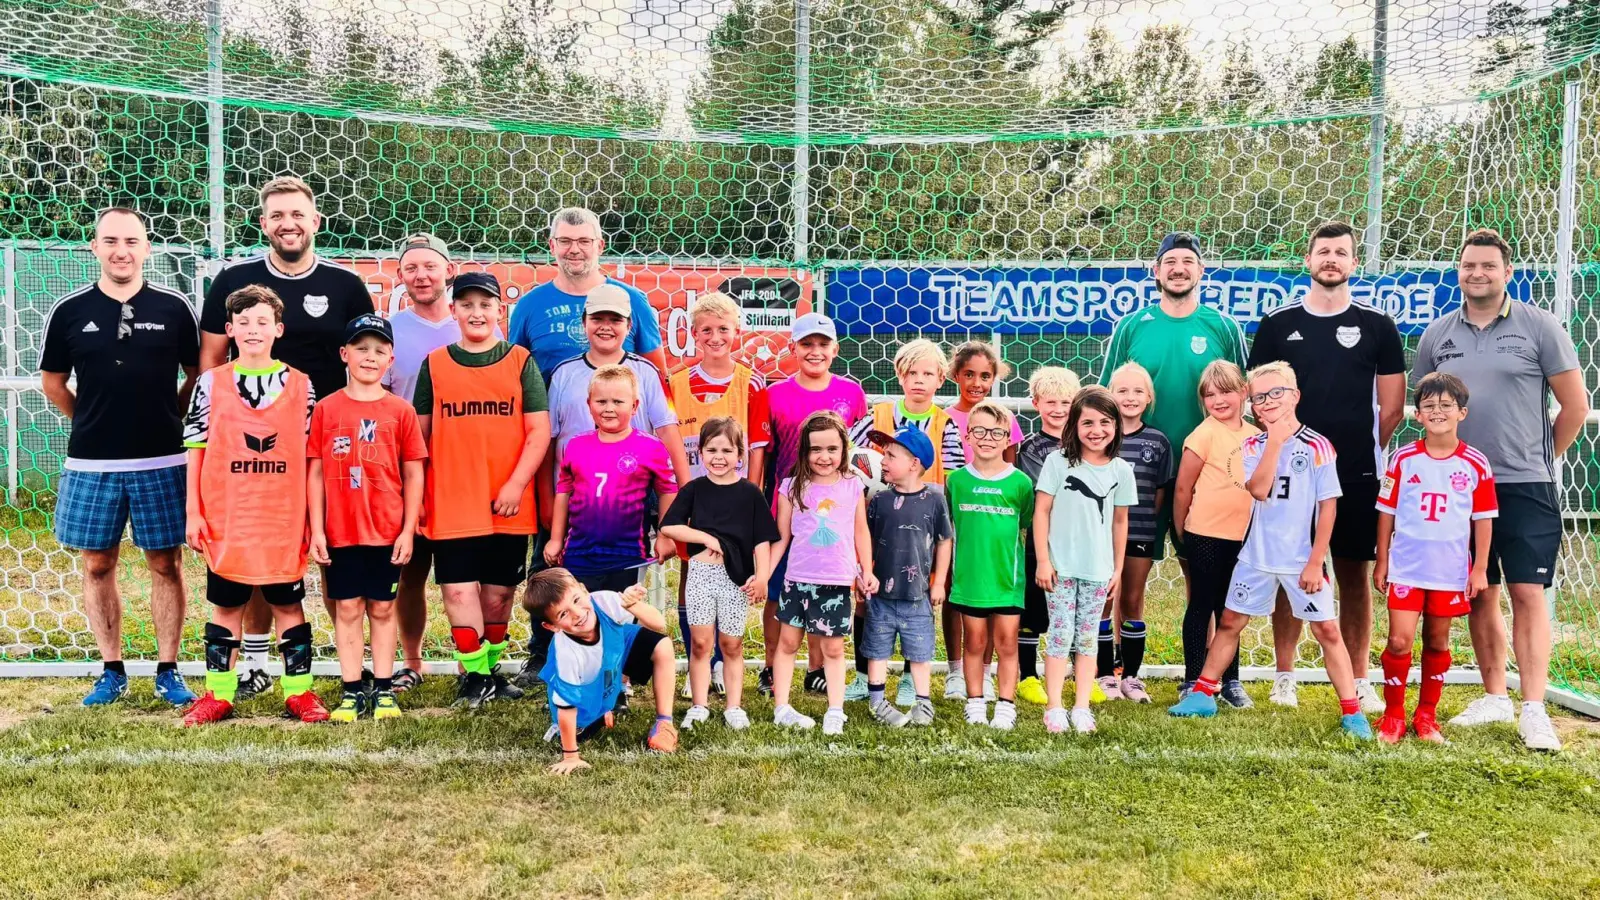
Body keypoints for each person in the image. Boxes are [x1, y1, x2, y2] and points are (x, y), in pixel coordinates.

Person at [199, 176, 375, 700]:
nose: (288, 223)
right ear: (263, 223)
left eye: (297, 214)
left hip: (325, 442)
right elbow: (210, 360)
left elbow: (367, 361)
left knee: (318, 549)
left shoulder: (345, 286)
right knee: (250, 554)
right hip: (249, 446)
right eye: (277, 215)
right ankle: (252, 661)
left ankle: (349, 661)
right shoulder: (236, 280)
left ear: (315, 220)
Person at [1414, 228, 1589, 751]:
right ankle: (1494, 695)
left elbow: (1575, 406)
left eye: (1489, 266)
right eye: (1469, 265)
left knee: (1527, 592)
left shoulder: (1541, 327)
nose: (1478, 274)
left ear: (1506, 273)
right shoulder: (1437, 334)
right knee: (1479, 591)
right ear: (1459, 271)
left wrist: (1538, 459)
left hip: (1524, 484)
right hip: (1459, 489)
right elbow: (1427, 406)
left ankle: (1534, 707)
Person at [40, 207, 199, 708]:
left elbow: (196, 376)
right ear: (94, 247)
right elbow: (53, 383)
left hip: (162, 461)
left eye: (131, 241)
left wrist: (168, 420)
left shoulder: (175, 308)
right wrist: (89, 419)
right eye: (110, 241)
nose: (121, 251)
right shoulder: (68, 311)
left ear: (147, 248)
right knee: (96, 564)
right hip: (92, 463)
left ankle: (168, 670)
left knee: (165, 564)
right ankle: (111, 670)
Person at [1168, 362, 1372, 740]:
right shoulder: (1252, 445)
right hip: (1256, 557)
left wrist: (1315, 561)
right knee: (1230, 622)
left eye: (1276, 393)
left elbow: (1328, 507)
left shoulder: (1318, 447)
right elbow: (1259, 489)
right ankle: (1202, 693)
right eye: (1260, 397)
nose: (1268, 402)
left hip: (1301, 561)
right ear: (1254, 405)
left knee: (1327, 629)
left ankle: (1352, 712)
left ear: (1294, 396)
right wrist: (1275, 441)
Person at [1248, 221, 1405, 712]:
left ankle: (1359, 678)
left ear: (1354, 263)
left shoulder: (1378, 326)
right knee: (1288, 569)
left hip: (1356, 471)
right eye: (1323, 252)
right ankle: (1284, 674)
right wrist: (1299, 452)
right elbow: (1260, 401)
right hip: (1291, 472)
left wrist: (1350, 452)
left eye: (1341, 252)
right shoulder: (1278, 325)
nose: (1331, 259)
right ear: (1308, 260)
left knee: (1354, 576)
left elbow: (1394, 407)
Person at [180, 285, 328, 726]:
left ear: (278, 329)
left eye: (262, 322)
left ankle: (299, 692)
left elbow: (311, 458)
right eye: (243, 323)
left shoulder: (301, 385)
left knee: (288, 605)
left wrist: (310, 517)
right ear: (229, 330)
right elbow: (196, 446)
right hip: (228, 515)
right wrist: (193, 510)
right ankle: (218, 694)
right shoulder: (211, 382)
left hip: (282, 516)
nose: (252, 329)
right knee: (226, 605)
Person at [528, 286, 689, 678]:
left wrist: (686, 500)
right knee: (559, 593)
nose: (605, 326)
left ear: (628, 326)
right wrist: (548, 504)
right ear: (584, 324)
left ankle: (621, 674)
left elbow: (668, 433)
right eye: (597, 318)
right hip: (574, 514)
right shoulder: (563, 374)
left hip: (626, 513)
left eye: (614, 319)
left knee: (620, 604)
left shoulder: (647, 373)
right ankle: (552, 663)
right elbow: (548, 441)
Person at [413, 272, 550, 709]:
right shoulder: (435, 364)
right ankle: (472, 675)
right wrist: (418, 499)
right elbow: (419, 439)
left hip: (507, 502)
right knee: (457, 590)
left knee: (498, 594)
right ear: (453, 311)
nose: (476, 313)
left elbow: (538, 432)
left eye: (485, 305)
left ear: (499, 311)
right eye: (467, 305)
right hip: (452, 499)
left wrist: (515, 484)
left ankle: (490, 670)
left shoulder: (519, 360)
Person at [385, 233, 501, 693]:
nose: (421, 275)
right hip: (407, 469)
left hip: (464, 475)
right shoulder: (389, 329)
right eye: (411, 268)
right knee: (409, 571)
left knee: (468, 577)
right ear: (400, 276)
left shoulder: (473, 326)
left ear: (448, 271)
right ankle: (411, 662)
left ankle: (471, 664)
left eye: (430, 266)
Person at [1100, 232, 1247, 570]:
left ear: (1202, 270)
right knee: (1122, 571)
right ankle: (1124, 627)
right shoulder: (1131, 326)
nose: (1178, 269)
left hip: (1205, 469)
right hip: (1139, 467)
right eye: (1170, 262)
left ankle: (1203, 627)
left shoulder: (1224, 327)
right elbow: (1106, 396)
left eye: (1187, 262)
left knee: (1200, 572)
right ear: (1156, 270)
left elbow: (1243, 393)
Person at [308, 314, 428, 722]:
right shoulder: (326, 410)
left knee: (381, 608)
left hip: (387, 529)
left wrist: (408, 530)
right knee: (347, 609)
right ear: (345, 354)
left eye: (379, 350)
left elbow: (414, 472)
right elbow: (317, 472)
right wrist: (317, 529)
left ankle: (383, 689)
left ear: (391, 358)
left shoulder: (401, 411)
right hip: (341, 532)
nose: (370, 357)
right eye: (361, 348)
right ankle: (351, 690)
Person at [1373, 373, 1497, 744]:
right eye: (1429, 405)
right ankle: (1394, 715)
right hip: (1408, 568)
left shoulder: (1476, 463)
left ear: (1462, 412)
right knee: (1399, 641)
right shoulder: (1403, 458)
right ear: (1418, 414)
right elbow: (1386, 511)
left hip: (1449, 573)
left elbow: (1483, 518)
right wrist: (1383, 560)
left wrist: (1479, 568)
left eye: (1446, 406)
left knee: (1438, 643)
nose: (1437, 411)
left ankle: (1426, 715)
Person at [665, 290, 770, 696]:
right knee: (692, 575)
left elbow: (758, 451)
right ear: (693, 333)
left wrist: (751, 500)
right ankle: (700, 662)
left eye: (723, 329)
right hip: (693, 501)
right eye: (706, 330)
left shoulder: (752, 383)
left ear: (737, 331)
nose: (715, 337)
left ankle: (728, 663)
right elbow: (668, 445)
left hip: (735, 501)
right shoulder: (675, 383)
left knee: (732, 574)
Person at [848, 339, 964, 701]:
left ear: (941, 378)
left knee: (920, 600)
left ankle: (915, 678)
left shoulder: (945, 424)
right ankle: (864, 674)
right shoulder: (877, 415)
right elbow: (852, 459)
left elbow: (955, 473)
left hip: (921, 533)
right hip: (876, 522)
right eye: (911, 372)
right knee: (867, 598)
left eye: (927, 373)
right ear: (899, 375)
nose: (918, 380)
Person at [761, 313, 869, 699]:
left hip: (831, 507)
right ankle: (772, 665)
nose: (815, 351)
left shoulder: (852, 394)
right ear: (793, 349)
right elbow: (764, 453)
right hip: (787, 505)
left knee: (824, 581)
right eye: (807, 344)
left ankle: (817, 668)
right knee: (779, 590)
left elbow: (859, 456)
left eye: (823, 344)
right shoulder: (773, 394)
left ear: (835, 349)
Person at [660, 417, 779, 731]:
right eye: (711, 449)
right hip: (700, 575)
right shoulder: (695, 490)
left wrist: (763, 576)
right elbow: (669, 526)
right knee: (700, 644)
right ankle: (699, 705)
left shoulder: (750, 494)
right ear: (700, 453)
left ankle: (734, 707)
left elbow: (762, 540)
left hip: (735, 580)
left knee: (732, 645)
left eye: (727, 450)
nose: (719, 456)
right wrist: (705, 538)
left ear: (740, 455)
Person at [1033, 387, 1135, 734]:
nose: (1096, 430)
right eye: (1087, 422)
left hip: (1098, 569)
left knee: (1088, 639)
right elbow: (1042, 512)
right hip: (1061, 568)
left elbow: (1120, 522)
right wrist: (1044, 560)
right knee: (1061, 636)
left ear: (1116, 426)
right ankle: (1055, 707)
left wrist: (1117, 569)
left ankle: (1081, 707)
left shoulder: (1121, 470)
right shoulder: (1058, 462)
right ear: (1074, 425)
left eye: (1105, 422)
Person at [768, 411, 875, 735]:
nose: (824, 457)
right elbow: (782, 536)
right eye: (816, 449)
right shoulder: (791, 486)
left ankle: (835, 710)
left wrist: (866, 570)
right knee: (788, 643)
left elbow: (860, 532)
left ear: (843, 449)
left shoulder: (852, 485)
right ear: (804, 451)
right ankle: (782, 707)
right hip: (798, 578)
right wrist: (764, 574)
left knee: (832, 648)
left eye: (831, 449)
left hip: (836, 581)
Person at [525, 570, 678, 775]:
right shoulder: (566, 654)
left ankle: (664, 724)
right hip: (584, 703)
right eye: (563, 614)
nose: (577, 613)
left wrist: (632, 604)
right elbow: (567, 707)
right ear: (552, 626)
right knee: (584, 723)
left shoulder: (604, 601)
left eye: (577, 600)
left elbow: (659, 624)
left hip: (611, 653)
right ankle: (602, 709)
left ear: (584, 589)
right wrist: (571, 756)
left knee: (662, 645)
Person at [544, 365, 680, 593]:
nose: (609, 409)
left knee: (622, 616)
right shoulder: (575, 445)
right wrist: (556, 539)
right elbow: (563, 493)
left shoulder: (651, 447)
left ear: (635, 406)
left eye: (618, 402)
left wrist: (665, 535)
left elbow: (668, 491)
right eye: (601, 401)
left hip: (627, 554)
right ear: (588, 404)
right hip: (579, 553)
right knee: (583, 618)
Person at [1171, 360, 1258, 707]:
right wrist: (1183, 534)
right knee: (1202, 604)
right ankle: (1193, 677)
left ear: (1243, 392)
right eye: (1210, 395)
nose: (1219, 400)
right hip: (1205, 535)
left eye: (1225, 391)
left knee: (1231, 611)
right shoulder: (1203, 433)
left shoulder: (1255, 436)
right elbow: (1182, 489)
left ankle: (1230, 680)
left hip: (1243, 537)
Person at [946, 400, 1034, 730]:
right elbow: (950, 526)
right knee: (975, 643)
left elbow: (1025, 522)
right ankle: (976, 701)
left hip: (1007, 581)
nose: (987, 438)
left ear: (1008, 438)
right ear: (967, 436)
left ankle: (1006, 705)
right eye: (979, 430)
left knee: (1007, 643)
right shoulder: (956, 482)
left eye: (997, 432)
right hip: (970, 580)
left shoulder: (1020, 484)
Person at [862, 425, 952, 727]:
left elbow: (944, 540)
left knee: (920, 649)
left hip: (918, 595)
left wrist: (938, 581)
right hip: (880, 596)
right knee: (877, 647)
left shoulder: (935, 500)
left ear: (914, 463)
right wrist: (863, 573)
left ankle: (923, 702)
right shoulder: (880, 501)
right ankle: (877, 701)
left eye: (890, 455)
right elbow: (867, 541)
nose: (883, 461)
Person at [508, 207, 665, 378]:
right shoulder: (528, 305)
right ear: (552, 246)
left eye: (584, 241)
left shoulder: (632, 300)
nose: (574, 249)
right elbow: (512, 375)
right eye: (565, 241)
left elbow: (657, 377)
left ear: (600, 246)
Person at [1103, 362, 1172, 704]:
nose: (1129, 397)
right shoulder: (1100, 436)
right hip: (1100, 536)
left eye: (1137, 391)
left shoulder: (1157, 442)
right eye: (1122, 390)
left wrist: (1140, 520)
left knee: (1131, 600)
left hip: (1140, 532)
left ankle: (1131, 674)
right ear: (1110, 395)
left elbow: (1159, 492)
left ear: (1149, 398)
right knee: (1102, 600)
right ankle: (1103, 672)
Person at [1015, 366, 1083, 707]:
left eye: (1066, 402)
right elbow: (1046, 495)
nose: (1059, 409)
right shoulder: (1028, 448)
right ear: (1036, 403)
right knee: (1033, 612)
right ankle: (1027, 676)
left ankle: (1078, 671)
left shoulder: (1087, 444)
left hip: (1077, 543)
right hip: (1040, 544)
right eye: (1051, 402)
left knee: (1072, 610)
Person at [946, 340, 1023, 464]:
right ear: (956, 376)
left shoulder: (1005, 418)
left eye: (985, 377)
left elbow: (1010, 470)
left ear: (993, 379)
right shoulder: (943, 419)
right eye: (969, 375)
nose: (977, 384)